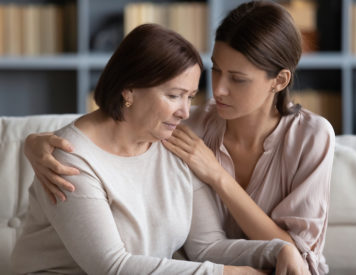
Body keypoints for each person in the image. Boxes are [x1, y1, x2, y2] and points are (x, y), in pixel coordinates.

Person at [23, 1, 334, 274]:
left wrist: (280, 249)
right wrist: (32, 143)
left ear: (279, 81)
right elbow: (97, 133)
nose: (218, 91)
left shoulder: (179, 136)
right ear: (129, 90)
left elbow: (209, 245)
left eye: (237, 79)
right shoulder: (184, 130)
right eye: (216, 71)